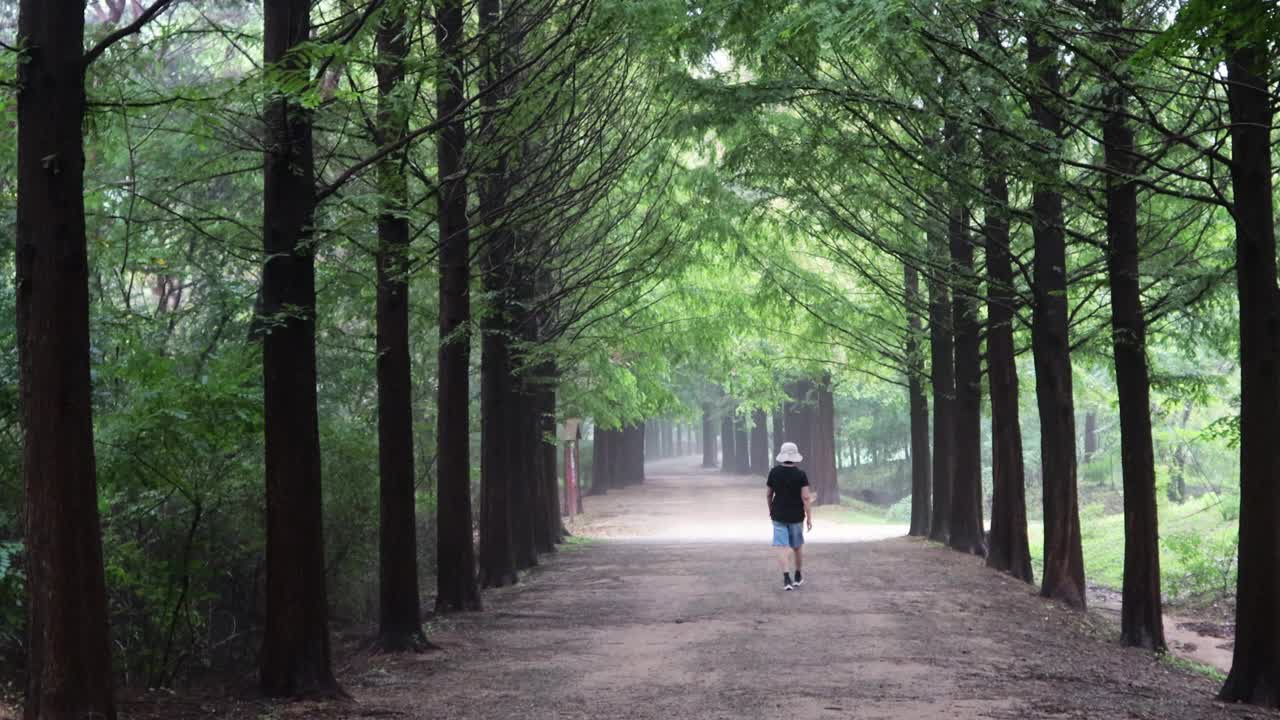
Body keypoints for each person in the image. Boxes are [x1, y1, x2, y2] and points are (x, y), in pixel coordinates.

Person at [767, 441, 813, 591]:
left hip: (778, 515)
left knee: (781, 546)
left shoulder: (773, 472)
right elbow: (806, 498)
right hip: (796, 516)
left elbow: (769, 494)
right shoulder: (801, 475)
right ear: (795, 457)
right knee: (797, 546)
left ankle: (786, 578)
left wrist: (771, 509)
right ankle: (798, 575)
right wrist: (809, 517)